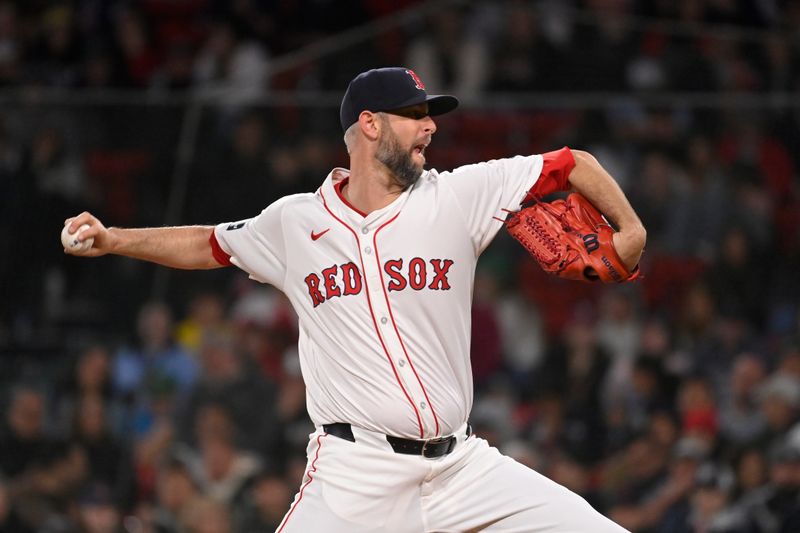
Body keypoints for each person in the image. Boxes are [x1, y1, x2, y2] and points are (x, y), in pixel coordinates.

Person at [63, 66, 646, 532]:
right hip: (354, 477)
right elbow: (207, 243)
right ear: (369, 125)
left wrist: (631, 231)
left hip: (461, 468)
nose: (430, 126)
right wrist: (115, 239)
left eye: (429, 115)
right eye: (414, 115)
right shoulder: (296, 222)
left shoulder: (457, 196)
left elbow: (574, 165)